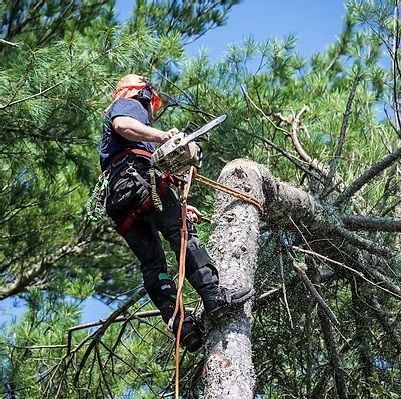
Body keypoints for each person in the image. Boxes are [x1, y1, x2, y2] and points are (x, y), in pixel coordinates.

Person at [99, 74, 253, 352]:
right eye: (151, 106)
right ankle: (213, 297)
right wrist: (163, 136)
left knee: (153, 266)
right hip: (139, 181)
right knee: (182, 232)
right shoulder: (130, 105)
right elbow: (123, 125)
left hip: (120, 200)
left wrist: (179, 203)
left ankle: (182, 327)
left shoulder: (121, 144)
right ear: (142, 94)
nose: (150, 113)